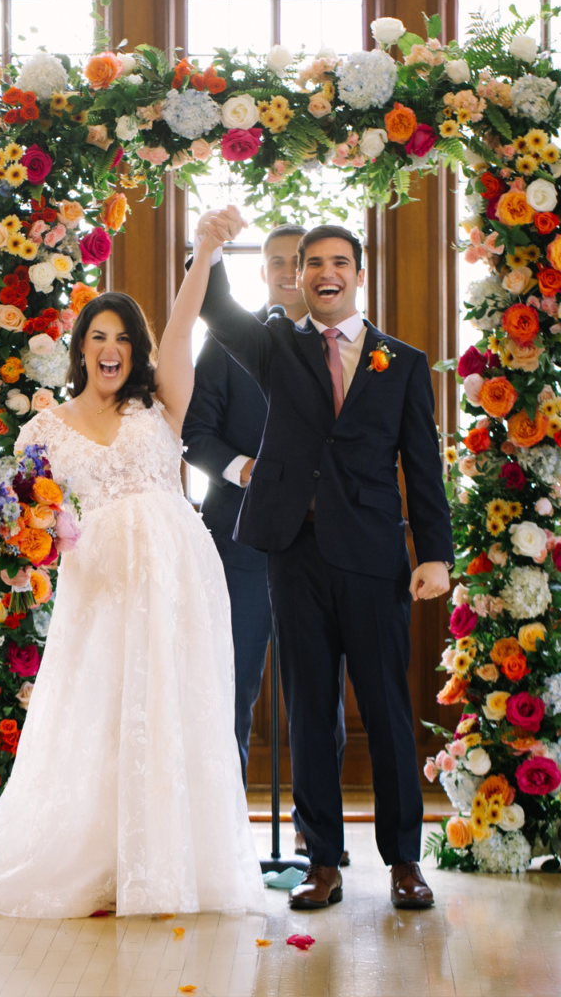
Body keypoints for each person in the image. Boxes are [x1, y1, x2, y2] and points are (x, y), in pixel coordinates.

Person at [0, 219, 264, 918]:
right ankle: (108, 861)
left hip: (176, 583)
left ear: (135, 352)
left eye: (122, 339)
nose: (111, 349)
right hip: (101, 593)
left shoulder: (161, 401)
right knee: (108, 718)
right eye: (98, 337)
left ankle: (173, 862)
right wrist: (22, 541)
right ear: (81, 349)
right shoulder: (45, 428)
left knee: (174, 708)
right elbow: (11, 517)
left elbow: (180, 328)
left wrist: (204, 254)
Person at [194, 206, 454, 911]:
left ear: (358, 276)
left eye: (339, 262)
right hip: (294, 552)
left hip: (373, 557)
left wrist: (436, 554)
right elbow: (216, 310)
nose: (326, 273)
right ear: (299, 279)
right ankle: (323, 861)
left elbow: (422, 468)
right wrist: (210, 247)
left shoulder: (400, 362)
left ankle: (404, 861)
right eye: (313, 264)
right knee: (308, 709)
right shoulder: (276, 345)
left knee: (386, 708)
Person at [182, 224, 349, 866]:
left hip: (320, 545)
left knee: (319, 696)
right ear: (265, 272)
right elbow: (194, 433)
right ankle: (224, 833)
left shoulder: (350, 348)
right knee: (232, 686)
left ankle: (319, 836)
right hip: (239, 543)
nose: (288, 271)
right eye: (277, 261)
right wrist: (246, 471)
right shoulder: (228, 346)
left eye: (298, 261)